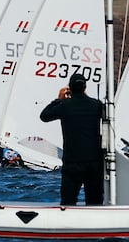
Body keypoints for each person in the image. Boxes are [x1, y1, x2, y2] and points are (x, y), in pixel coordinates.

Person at [39, 73, 104, 205]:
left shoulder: (64, 105)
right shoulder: (96, 105)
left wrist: (59, 99)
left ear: (70, 87)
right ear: (85, 88)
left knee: (68, 201)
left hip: (72, 162)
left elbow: (44, 116)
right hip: (94, 162)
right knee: (95, 201)